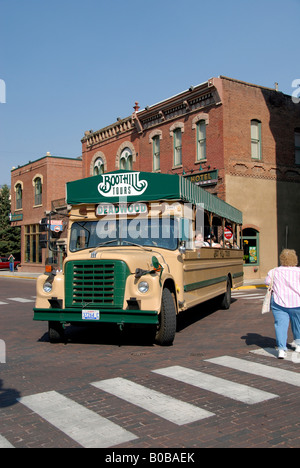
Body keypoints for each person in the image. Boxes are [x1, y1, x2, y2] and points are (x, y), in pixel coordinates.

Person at [265, 249, 300, 359]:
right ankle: (298, 344)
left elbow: (267, 282)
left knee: (280, 326)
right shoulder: (299, 271)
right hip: (297, 302)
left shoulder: (274, 271)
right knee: (297, 324)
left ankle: (281, 349)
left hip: (279, 302)